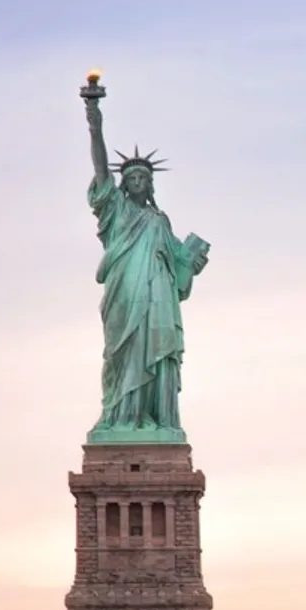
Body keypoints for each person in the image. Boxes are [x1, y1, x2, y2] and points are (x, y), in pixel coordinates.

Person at [83, 89, 209, 439]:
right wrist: (95, 121)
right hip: (125, 292)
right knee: (122, 354)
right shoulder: (116, 211)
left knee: (156, 351)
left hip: (159, 299)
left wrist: (192, 261)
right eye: (132, 177)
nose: (138, 181)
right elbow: (99, 166)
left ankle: (155, 418)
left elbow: (180, 268)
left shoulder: (159, 220)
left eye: (144, 178)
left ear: (150, 184)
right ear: (124, 184)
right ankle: (120, 416)